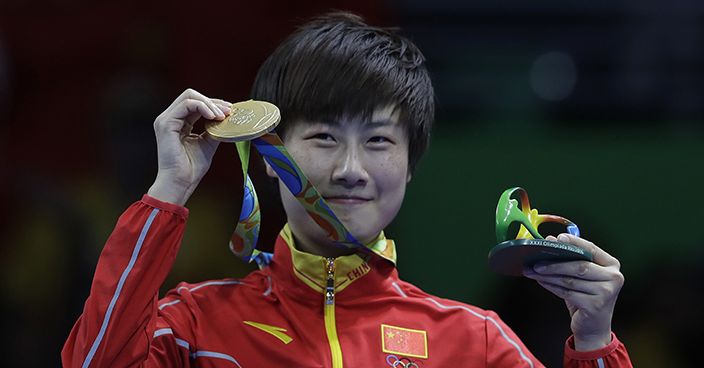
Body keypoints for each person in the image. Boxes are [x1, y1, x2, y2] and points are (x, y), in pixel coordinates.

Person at [63, 12, 632, 367]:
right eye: (324, 137)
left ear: (411, 165)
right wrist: (169, 190)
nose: (351, 169)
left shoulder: (473, 344)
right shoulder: (194, 326)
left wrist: (594, 342)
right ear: (270, 152)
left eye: (380, 141)